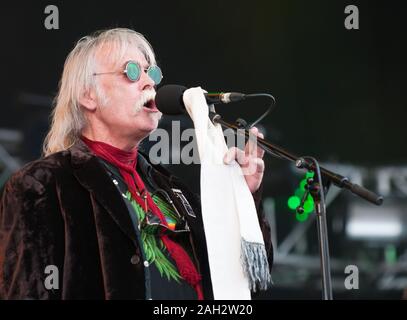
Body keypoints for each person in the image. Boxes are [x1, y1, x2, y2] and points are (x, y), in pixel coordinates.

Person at [0, 28, 272, 300]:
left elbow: (245, 284)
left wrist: (243, 198)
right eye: (130, 72)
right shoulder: (44, 184)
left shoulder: (169, 188)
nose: (148, 83)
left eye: (151, 73)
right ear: (88, 96)